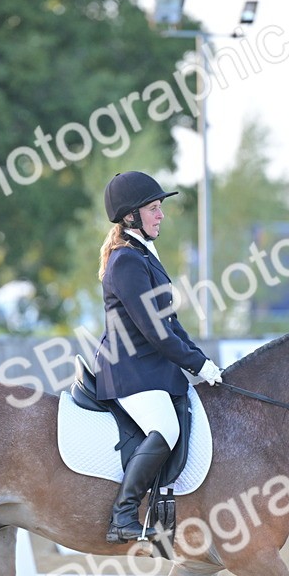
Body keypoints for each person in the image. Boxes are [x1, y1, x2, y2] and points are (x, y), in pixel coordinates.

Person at [93, 171, 224, 544]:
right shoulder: (126, 262)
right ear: (131, 216)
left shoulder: (144, 256)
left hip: (152, 369)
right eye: (154, 208)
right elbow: (155, 332)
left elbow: (172, 324)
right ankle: (123, 515)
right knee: (166, 428)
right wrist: (196, 365)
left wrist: (203, 360)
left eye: (160, 207)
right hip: (128, 371)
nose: (161, 215)